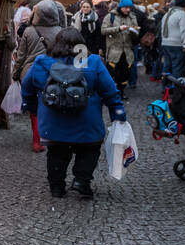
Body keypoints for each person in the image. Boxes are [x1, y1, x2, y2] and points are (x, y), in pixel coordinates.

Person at [21, 27, 127, 199]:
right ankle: (81, 181)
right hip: (87, 122)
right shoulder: (93, 61)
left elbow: (27, 87)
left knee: (56, 151)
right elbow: (110, 91)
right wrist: (118, 114)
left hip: (53, 121)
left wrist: (32, 108)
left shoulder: (42, 61)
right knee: (89, 149)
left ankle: (56, 186)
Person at [12, 0, 66, 153]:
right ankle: (52, 135)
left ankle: (38, 141)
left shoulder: (29, 31)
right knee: (51, 104)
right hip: (53, 72)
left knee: (34, 109)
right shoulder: (60, 31)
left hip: (31, 73)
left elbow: (21, 56)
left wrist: (15, 74)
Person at [101, 0, 139, 100]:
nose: (128, 10)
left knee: (125, 74)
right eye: (126, 8)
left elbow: (137, 32)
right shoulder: (110, 16)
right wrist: (118, 29)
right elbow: (103, 30)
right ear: (120, 7)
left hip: (127, 51)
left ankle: (122, 92)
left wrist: (134, 31)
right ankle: (111, 93)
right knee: (112, 73)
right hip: (114, 51)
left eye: (129, 8)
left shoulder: (132, 17)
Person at [158, 0, 185, 78]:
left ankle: (166, 87)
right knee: (177, 67)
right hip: (177, 44)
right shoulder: (183, 14)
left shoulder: (168, 14)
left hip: (165, 43)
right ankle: (175, 88)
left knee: (167, 66)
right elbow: (184, 30)